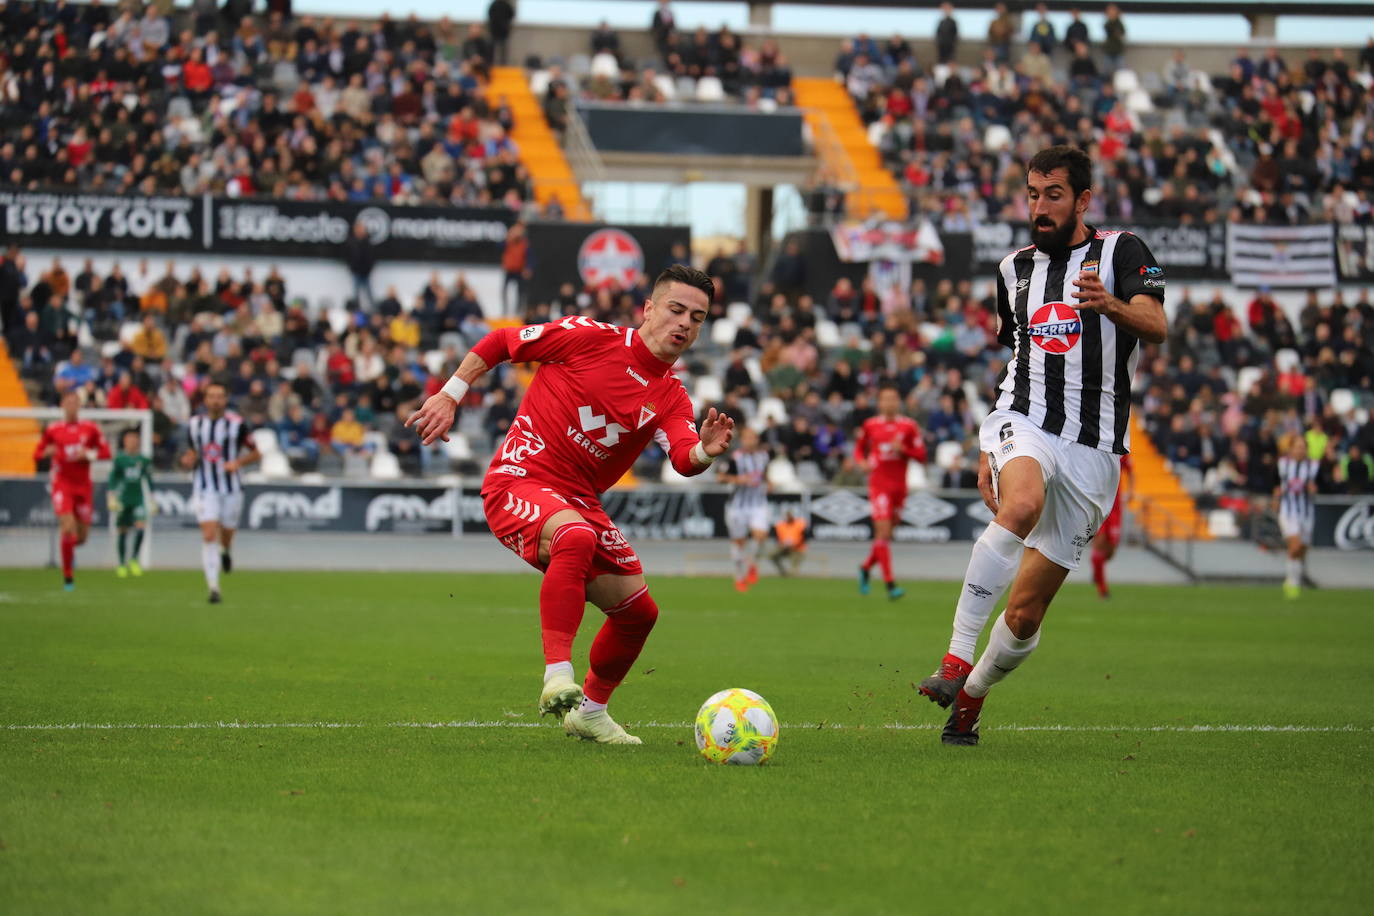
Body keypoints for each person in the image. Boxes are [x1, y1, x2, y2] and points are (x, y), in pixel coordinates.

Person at [406, 265, 735, 745]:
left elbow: (684, 459)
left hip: (578, 500)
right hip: (520, 479)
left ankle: (591, 712)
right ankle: (557, 675)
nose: (685, 324)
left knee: (639, 614)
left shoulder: (670, 396)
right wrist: (451, 394)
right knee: (574, 536)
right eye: (676, 309)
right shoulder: (588, 337)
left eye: (698, 317)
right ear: (648, 308)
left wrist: (705, 450)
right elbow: (501, 342)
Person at [916, 145, 1167, 746]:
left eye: (1052, 194)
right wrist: (990, 447)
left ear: (1082, 199)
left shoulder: (1123, 251)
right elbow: (1017, 354)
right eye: (1032, 194)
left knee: (1025, 617)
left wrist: (1108, 304)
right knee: (1019, 504)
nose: (1039, 206)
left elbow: (1156, 326)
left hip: (1096, 446)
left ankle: (971, 696)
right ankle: (954, 659)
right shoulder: (1013, 270)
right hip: (1025, 416)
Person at [181, 382, 260, 604]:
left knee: (226, 534)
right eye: (211, 396)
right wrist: (187, 459)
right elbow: (192, 451)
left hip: (231, 487)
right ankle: (214, 587)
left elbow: (256, 453)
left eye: (219, 396)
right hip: (205, 487)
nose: (215, 400)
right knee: (208, 535)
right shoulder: (195, 424)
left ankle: (226, 551)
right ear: (205, 400)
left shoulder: (237, 425)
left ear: (225, 400)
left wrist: (238, 462)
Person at [854, 381, 927, 600]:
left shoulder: (908, 426)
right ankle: (890, 584)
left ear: (898, 402)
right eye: (884, 399)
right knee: (883, 533)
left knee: (885, 536)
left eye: (893, 399)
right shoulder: (870, 425)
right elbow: (859, 450)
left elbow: (922, 456)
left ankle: (866, 568)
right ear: (879, 402)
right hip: (879, 485)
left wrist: (903, 449)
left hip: (899, 487)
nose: (889, 403)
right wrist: (862, 462)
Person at [33, 389, 110, 590]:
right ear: (62, 405)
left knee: (81, 538)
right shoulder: (53, 430)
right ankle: (68, 577)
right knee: (68, 527)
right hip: (62, 483)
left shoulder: (90, 429)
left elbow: (106, 452)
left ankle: (66, 548)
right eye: (68, 402)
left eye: (75, 402)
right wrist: (46, 452)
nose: (72, 406)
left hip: (83, 486)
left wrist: (90, 454)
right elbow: (37, 453)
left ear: (79, 405)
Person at [718, 426, 771, 592]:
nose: (750, 441)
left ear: (757, 440)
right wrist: (740, 479)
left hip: (758, 503)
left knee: (760, 535)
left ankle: (752, 563)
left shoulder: (763, 456)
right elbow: (720, 478)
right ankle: (739, 577)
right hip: (737, 506)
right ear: (742, 440)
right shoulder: (734, 458)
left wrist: (769, 482)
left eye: (753, 438)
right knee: (739, 543)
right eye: (747, 438)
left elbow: (764, 474)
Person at [1274, 433, 1318, 600]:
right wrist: (1275, 496)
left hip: (1307, 512)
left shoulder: (1313, 466)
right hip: (1288, 511)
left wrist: (1315, 489)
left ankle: (1295, 578)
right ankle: (1292, 583)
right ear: (1291, 449)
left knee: (1303, 549)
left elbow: (1324, 484)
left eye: (1303, 447)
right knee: (1295, 546)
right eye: (1297, 447)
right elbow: (1273, 483)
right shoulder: (1282, 464)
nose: (1300, 450)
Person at [108, 427, 154, 578]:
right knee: (122, 530)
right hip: (123, 499)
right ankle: (121, 563)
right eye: (130, 439)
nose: (133, 442)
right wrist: (112, 497)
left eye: (135, 439)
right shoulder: (119, 459)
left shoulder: (144, 460)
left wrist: (152, 499)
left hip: (138, 498)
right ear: (125, 442)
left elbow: (149, 480)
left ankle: (134, 558)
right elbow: (113, 479)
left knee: (141, 526)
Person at [1090, 454, 1134, 599]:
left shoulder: (1121, 448)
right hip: (1099, 503)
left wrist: (1131, 491)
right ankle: (1102, 589)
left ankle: (1096, 568)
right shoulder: (1097, 446)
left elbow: (1130, 470)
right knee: (1099, 543)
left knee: (1110, 551)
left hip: (1115, 507)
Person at [770, 509, 808, 577]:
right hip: (784, 548)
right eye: (787, 516)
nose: (788, 517)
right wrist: (781, 544)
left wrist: (795, 544)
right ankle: (783, 572)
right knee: (772, 555)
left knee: (795, 561)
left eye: (790, 515)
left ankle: (792, 574)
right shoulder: (780, 525)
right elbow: (777, 538)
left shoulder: (800, 524)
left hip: (797, 549)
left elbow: (805, 537)